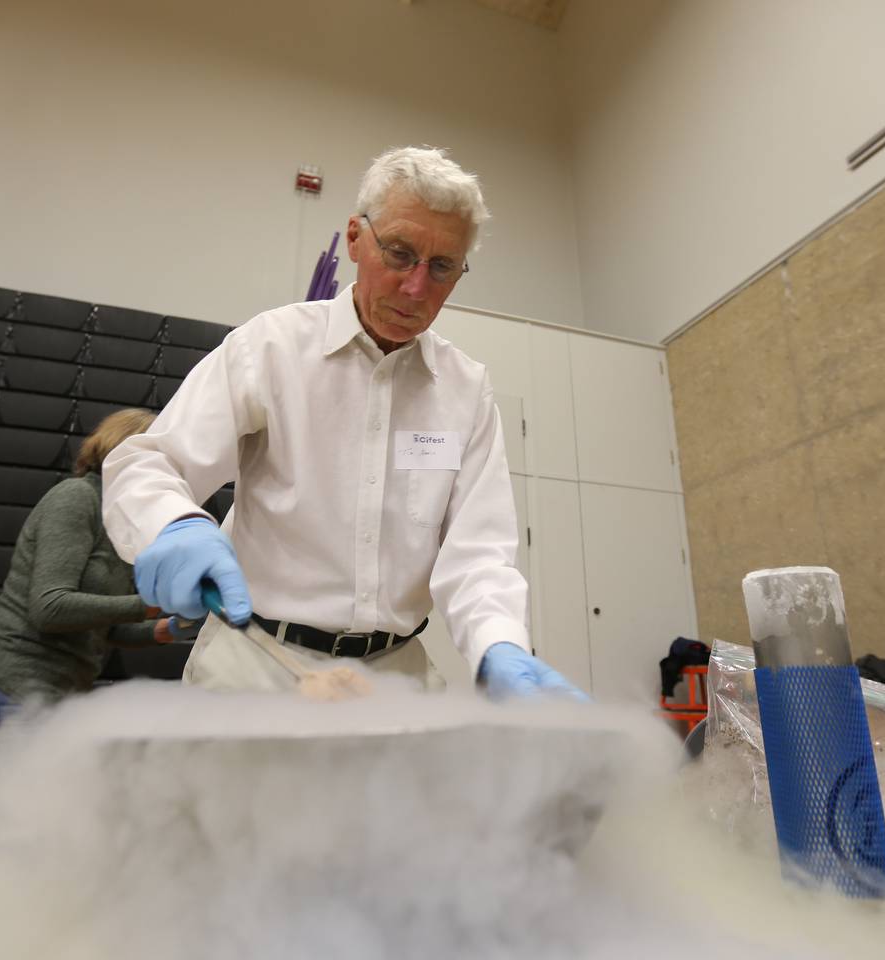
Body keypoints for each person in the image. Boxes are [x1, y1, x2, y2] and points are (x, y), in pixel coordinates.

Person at [103, 146, 584, 700]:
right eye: (400, 254)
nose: (416, 288)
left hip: (396, 676)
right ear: (355, 237)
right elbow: (149, 460)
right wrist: (172, 524)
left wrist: (500, 645)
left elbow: (478, 553)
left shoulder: (464, 389)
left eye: (443, 267)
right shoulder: (273, 347)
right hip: (254, 667)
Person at [0, 409, 179, 756]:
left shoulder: (121, 525)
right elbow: (50, 608)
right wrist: (147, 605)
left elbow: (102, 628)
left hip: (46, 704)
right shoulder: (77, 498)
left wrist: (165, 628)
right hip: (3, 696)